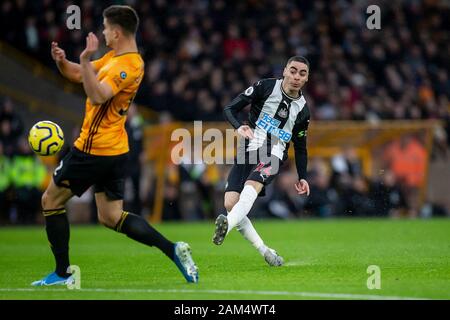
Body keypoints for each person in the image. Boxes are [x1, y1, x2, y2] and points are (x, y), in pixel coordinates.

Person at [32, 5, 198, 286]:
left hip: (92, 150)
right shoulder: (113, 58)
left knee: (50, 201)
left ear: (117, 32)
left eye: (106, 27)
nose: (103, 32)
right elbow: (77, 75)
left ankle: (62, 274)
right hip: (114, 149)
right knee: (111, 217)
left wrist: (85, 60)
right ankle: (173, 250)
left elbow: (97, 95)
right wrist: (63, 61)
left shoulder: (128, 66)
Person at [213, 56, 311, 266]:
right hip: (248, 148)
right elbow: (229, 108)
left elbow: (301, 146)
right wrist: (239, 126)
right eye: (293, 71)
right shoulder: (265, 87)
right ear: (285, 71)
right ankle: (265, 251)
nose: (296, 76)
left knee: (251, 186)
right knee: (230, 203)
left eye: (302, 73)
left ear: (306, 78)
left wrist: (303, 177)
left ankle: (226, 227)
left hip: (275, 152)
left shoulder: (303, 110)